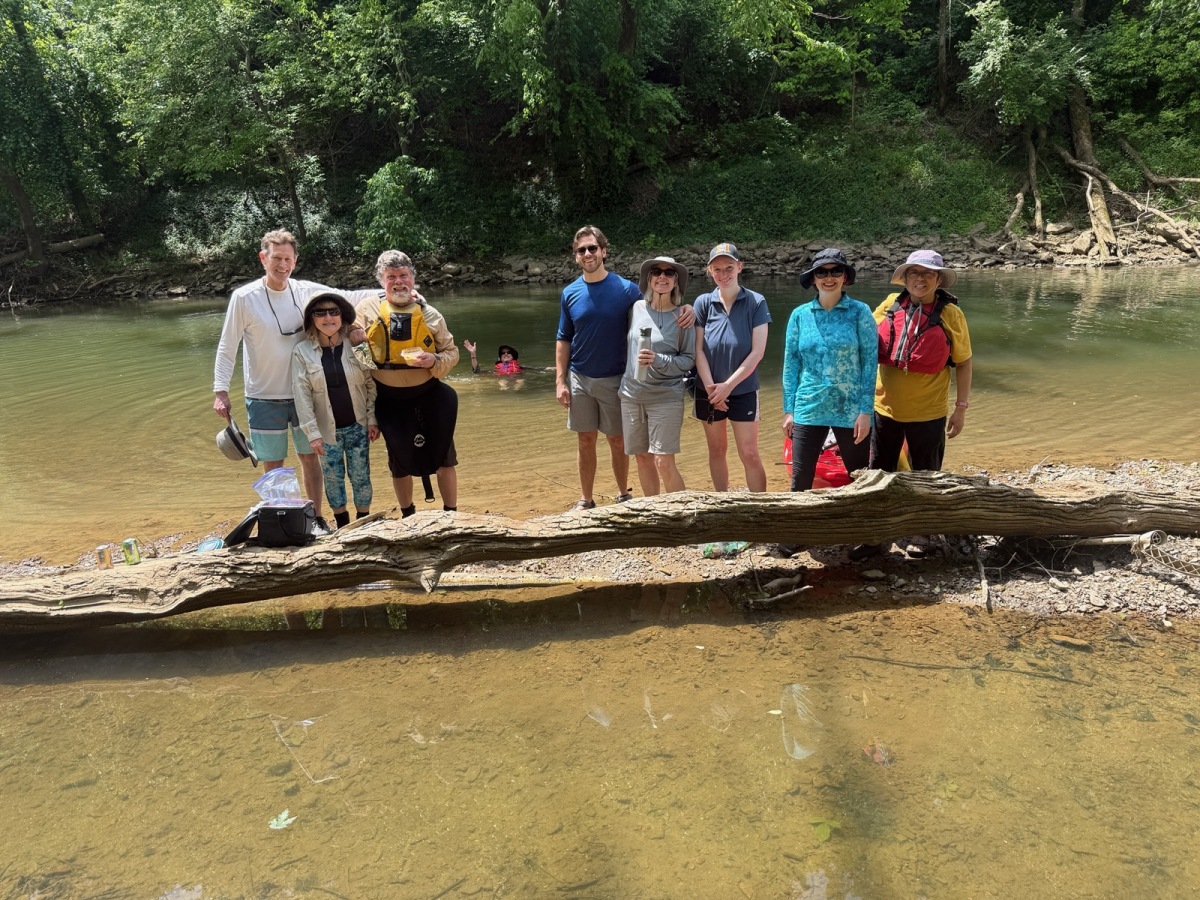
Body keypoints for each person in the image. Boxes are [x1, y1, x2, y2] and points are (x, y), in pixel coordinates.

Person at [555, 226, 694, 511]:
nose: (588, 254)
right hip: (582, 376)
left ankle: (624, 495)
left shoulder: (627, 290)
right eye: (581, 250)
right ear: (575, 256)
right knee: (586, 441)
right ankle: (586, 500)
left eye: (593, 248)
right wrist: (560, 380)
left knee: (620, 442)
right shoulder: (569, 293)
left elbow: (662, 308)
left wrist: (690, 308)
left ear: (604, 251)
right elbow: (563, 338)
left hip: (618, 379)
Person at [213, 230, 334, 529]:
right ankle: (282, 521)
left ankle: (316, 518)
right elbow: (228, 345)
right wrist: (221, 390)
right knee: (274, 464)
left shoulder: (305, 290)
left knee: (310, 457)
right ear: (263, 258)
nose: (283, 265)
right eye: (276, 258)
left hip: (304, 391)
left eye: (288, 259)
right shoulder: (244, 297)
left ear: (295, 261)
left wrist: (390, 293)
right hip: (263, 395)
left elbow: (348, 296)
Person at [861, 248, 974, 559]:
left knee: (925, 476)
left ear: (938, 279)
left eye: (927, 273)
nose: (920, 279)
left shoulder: (951, 315)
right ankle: (877, 534)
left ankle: (920, 532)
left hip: (929, 412)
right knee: (879, 475)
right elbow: (861, 340)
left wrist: (961, 408)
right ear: (905, 278)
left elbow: (964, 363)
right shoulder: (888, 305)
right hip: (885, 410)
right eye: (914, 272)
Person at [777, 249, 876, 557]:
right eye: (822, 272)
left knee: (859, 475)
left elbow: (870, 363)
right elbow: (791, 364)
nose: (829, 278)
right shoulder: (800, 316)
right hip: (808, 405)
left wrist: (866, 410)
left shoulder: (860, 312)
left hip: (850, 409)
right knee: (800, 478)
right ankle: (797, 532)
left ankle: (868, 536)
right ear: (814, 279)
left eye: (836, 271)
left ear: (845, 277)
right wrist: (788, 409)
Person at [353, 250, 460, 517]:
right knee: (398, 460)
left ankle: (451, 514)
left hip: (429, 395)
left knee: (444, 455)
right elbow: (349, 339)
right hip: (389, 400)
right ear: (381, 280)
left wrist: (432, 360)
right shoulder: (366, 310)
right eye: (391, 277)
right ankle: (408, 515)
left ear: (413, 278)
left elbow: (452, 353)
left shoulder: (430, 314)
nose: (398, 282)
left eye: (403, 276)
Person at [291, 292, 378, 531]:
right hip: (326, 432)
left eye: (334, 312)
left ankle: (363, 524)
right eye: (320, 313)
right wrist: (312, 433)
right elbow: (302, 395)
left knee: (361, 477)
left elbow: (371, 382)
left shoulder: (357, 345)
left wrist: (372, 418)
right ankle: (342, 527)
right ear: (312, 319)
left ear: (342, 317)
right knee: (333, 480)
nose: (328, 317)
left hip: (358, 425)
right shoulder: (302, 351)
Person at [693, 243, 771, 492]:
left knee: (748, 453)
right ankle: (722, 502)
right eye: (717, 269)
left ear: (740, 267)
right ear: (709, 271)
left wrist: (727, 387)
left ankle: (762, 509)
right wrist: (712, 390)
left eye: (729, 267)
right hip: (709, 390)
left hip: (743, 389)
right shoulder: (703, 303)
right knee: (716, 450)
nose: (723, 274)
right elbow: (697, 351)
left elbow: (757, 353)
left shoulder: (756, 302)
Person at [619, 256, 695, 496]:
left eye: (669, 273)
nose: (662, 277)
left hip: (665, 396)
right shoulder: (636, 308)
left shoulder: (683, 317)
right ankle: (655, 514)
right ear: (648, 279)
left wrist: (658, 360)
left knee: (663, 461)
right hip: (631, 395)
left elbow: (688, 360)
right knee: (642, 457)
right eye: (656, 272)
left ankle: (684, 515)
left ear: (676, 282)